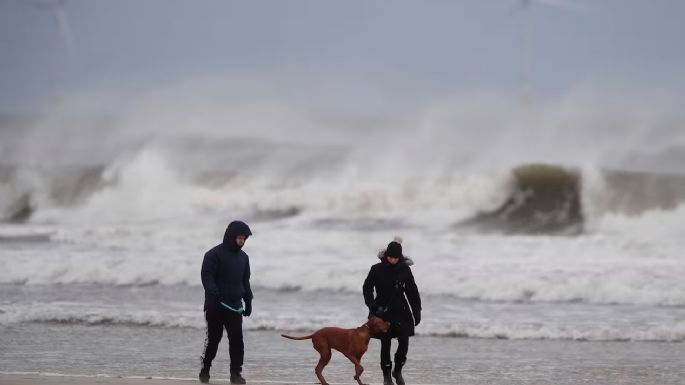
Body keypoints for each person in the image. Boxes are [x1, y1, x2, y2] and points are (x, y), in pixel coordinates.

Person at [199, 220, 254, 384]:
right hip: (215, 305)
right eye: (239, 237)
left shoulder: (244, 258)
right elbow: (206, 276)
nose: (242, 241)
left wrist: (248, 301)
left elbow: (245, 281)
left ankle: (235, 374)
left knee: (237, 341)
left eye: (244, 238)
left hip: (235, 306)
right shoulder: (213, 255)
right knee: (214, 340)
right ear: (231, 236)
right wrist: (213, 293)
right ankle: (205, 368)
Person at [363, 238, 422, 385]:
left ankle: (398, 370)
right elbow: (367, 288)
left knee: (404, 340)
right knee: (386, 343)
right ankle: (387, 376)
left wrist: (417, 311)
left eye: (396, 258)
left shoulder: (405, 270)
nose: (393, 260)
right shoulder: (376, 269)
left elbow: (412, 292)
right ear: (386, 255)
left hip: (401, 310)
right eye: (390, 257)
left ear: (400, 257)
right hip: (381, 311)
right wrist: (372, 307)